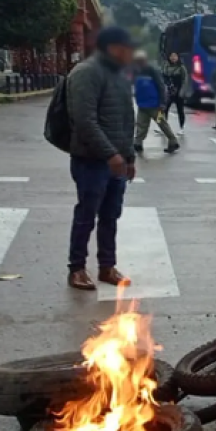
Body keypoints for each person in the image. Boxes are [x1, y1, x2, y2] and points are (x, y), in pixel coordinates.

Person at [66, 27, 138, 290]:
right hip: (91, 160)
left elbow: (126, 119)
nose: (130, 53)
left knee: (111, 215)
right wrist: (110, 154)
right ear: (111, 47)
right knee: (87, 214)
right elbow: (84, 121)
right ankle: (76, 269)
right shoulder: (86, 73)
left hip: (116, 161)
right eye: (125, 47)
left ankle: (107, 266)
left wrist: (128, 157)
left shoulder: (119, 75)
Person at [131, 51, 179, 155]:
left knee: (162, 123)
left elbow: (161, 86)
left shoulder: (152, 70)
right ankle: (138, 143)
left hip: (155, 105)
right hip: (142, 105)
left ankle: (173, 141)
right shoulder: (136, 70)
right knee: (141, 124)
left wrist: (163, 103)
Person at [160, 52, 188, 135]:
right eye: (171, 56)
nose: (173, 58)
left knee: (180, 110)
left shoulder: (181, 67)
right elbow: (162, 77)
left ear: (178, 57)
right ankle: (163, 128)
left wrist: (182, 92)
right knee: (163, 109)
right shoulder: (165, 66)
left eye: (175, 56)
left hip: (178, 91)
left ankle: (181, 128)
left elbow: (185, 80)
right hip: (168, 91)